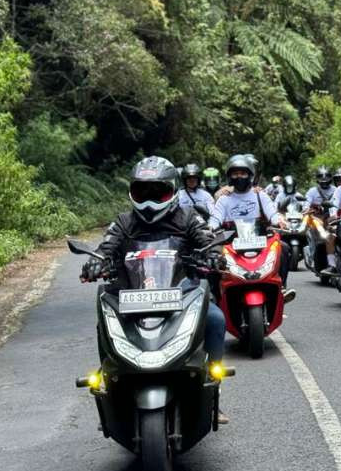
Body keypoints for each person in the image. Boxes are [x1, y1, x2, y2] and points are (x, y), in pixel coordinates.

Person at [80, 156, 230, 423]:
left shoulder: (188, 218)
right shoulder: (124, 222)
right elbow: (106, 247)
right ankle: (109, 379)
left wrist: (215, 254)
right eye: (142, 191)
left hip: (181, 294)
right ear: (132, 191)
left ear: (172, 190)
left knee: (216, 320)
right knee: (104, 322)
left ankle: (211, 384)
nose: (149, 200)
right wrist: (95, 263)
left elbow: (208, 240)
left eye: (157, 192)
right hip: (130, 296)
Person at [211, 154, 295, 299]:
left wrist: (280, 220)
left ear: (250, 175)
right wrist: (210, 228)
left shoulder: (260, 195)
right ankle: (215, 296)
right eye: (235, 173)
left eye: (243, 173)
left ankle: (281, 288)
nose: (239, 177)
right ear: (229, 176)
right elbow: (215, 219)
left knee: (284, 248)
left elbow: (272, 214)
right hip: (230, 242)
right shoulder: (224, 198)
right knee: (212, 256)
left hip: (259, 239)